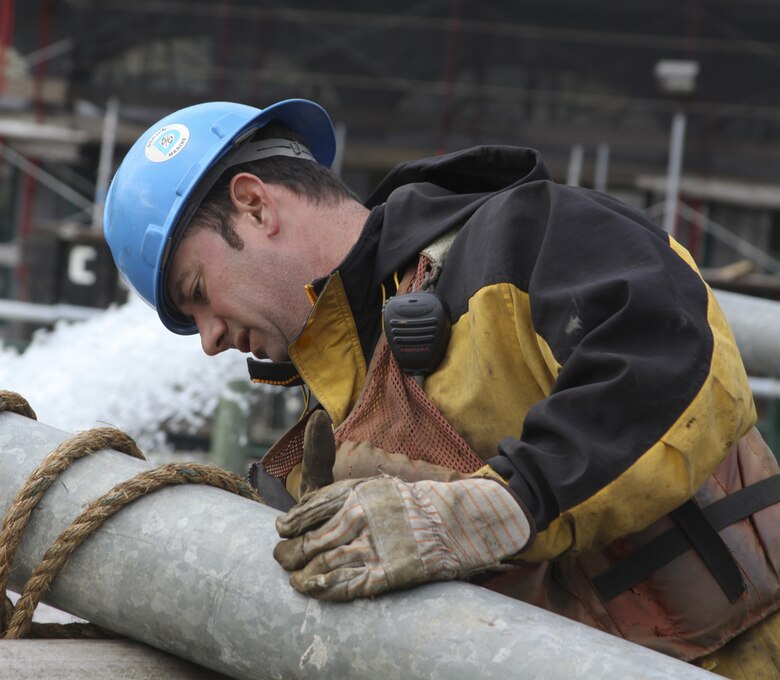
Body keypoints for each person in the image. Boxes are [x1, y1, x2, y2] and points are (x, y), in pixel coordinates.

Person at [103, 98, 780, 677]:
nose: (210, 338)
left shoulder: (528, 234)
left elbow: (676, 364)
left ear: (254, 206)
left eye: (196, 294)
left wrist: (504, 505)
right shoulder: (337, 410)